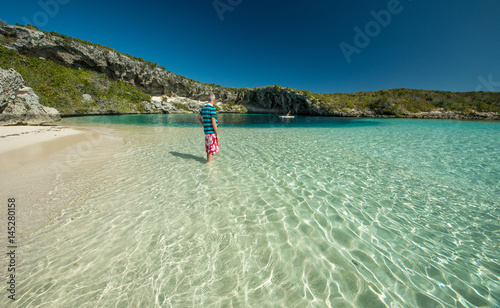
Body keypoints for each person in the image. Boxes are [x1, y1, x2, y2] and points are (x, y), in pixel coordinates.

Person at [197, 93, 220, 163]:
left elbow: (198, 118)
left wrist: (203, 125)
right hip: (212, 133)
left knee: (208, 150)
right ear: (214, 100)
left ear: (207, 99)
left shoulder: (204, 108)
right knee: (211, 151)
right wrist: (217, 134)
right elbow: (214, 122)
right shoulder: (212, 108)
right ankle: (209, 167)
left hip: (207, 133)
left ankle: (208, 164)